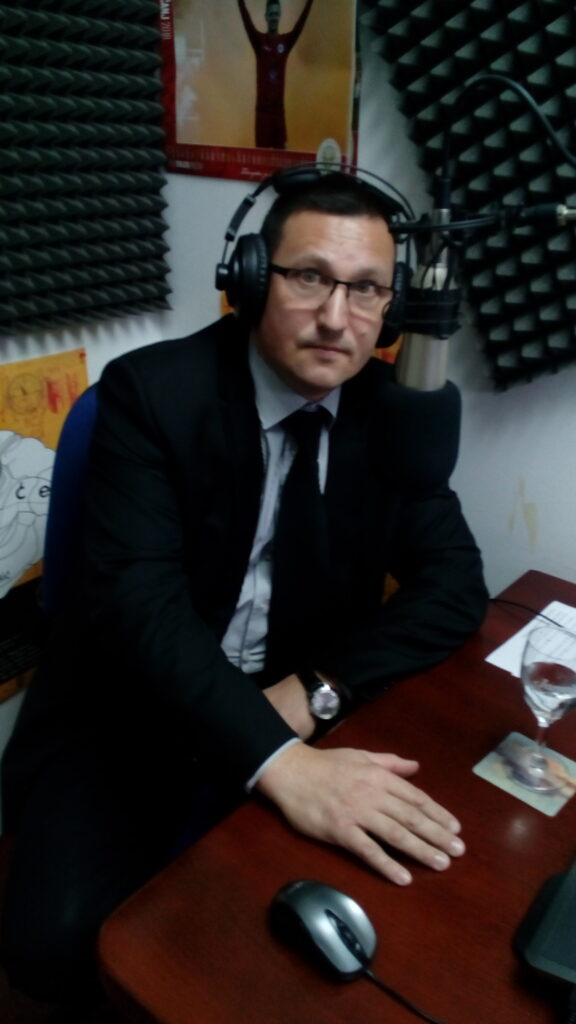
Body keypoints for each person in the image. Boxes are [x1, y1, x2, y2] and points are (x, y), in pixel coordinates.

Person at [0, 171, 488, 1007]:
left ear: (392, 308)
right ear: (253, 278)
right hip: (132, 708)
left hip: (291, 698)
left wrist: (316, 692)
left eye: (366, 289)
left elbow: (455, 585)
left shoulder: (390, 417)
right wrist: (278, 761)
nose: (336, 317)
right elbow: (141, 612)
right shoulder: (152, 394)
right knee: (49, 949)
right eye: (310, 278)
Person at [237, 0, 314, 149]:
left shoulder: (285, 42)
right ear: (266, 16)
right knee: (262, 158)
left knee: (281, 157)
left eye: (276, 14)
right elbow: (246, 21)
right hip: (263, 115)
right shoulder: (259, 41)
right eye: (271, 14)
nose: (274, 17)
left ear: (280, 16)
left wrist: (310, 2)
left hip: (278, 114)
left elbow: (300, 25)